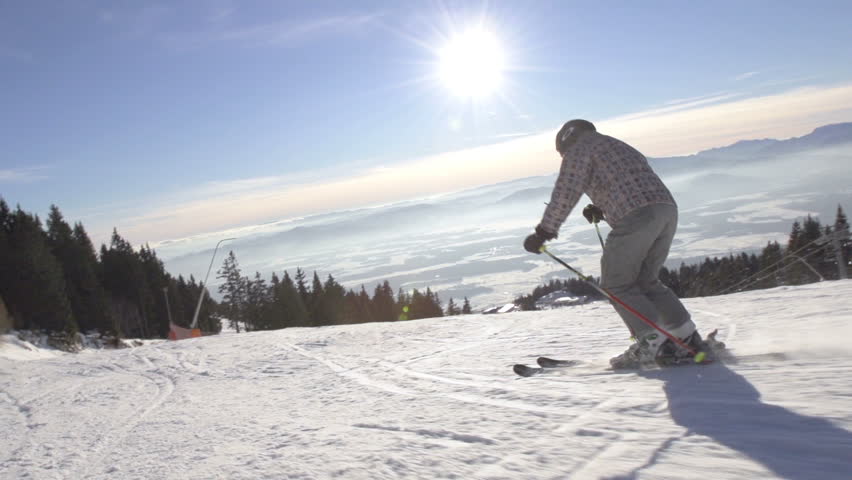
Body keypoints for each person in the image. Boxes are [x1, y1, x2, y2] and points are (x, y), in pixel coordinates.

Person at [523, 119, 711, 368]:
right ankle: (688, 338)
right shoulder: (616, 145)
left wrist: (544, 231)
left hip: (636, 217)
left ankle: (651, 343)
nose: (564, 156)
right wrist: (602, 207)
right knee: (647, 282)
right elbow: (628, 181)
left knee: (616, 284)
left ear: (567, 140)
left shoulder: (579, 149)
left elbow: (566, 191)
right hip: (666, 211)